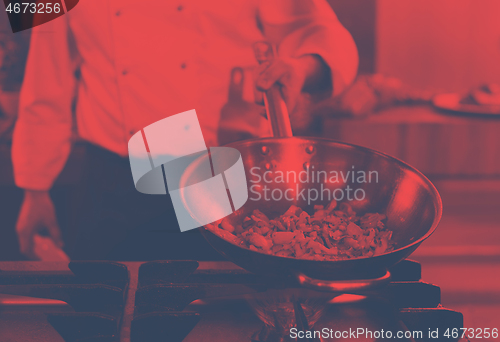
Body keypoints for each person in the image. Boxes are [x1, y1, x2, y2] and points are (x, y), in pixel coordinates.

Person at [12, 0, 358, 260]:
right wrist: (34, 187)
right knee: (105, 316)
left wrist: (302, 67)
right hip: (110, 184)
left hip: (220, 180)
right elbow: (45, 77)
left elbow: (319, 30)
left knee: (223, 322)